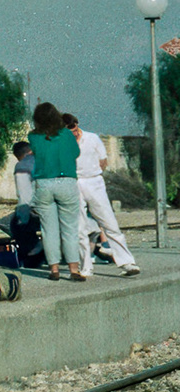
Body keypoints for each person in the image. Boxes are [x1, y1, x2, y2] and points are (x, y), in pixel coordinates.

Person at [66, 113, 138, 277]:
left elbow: (103, 161)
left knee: (109, 222)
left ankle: (127, 262)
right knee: (79, 227)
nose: (74, 133)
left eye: (74, 129)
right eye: (69, 131)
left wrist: (94, 174)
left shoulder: (92, 138)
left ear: (77, 125)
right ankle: (86, 266)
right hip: (75, 182)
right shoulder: (63, 143)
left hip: (94, 182)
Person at [27, 102, 86, 281]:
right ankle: (74, 269)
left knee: (48, 229)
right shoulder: (66, 134)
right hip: (66, 181)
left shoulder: (33, 136)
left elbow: (37, 151)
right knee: (70, 228)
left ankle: (54, 269)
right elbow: (76, 153)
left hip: (44, 183)